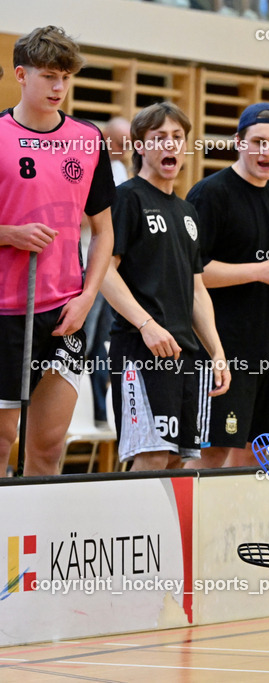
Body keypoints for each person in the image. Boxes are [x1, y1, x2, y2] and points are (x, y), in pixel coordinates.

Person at [0, 26, 115, 477]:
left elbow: (103, 232)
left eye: (66, 78)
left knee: (47, 449)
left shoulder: (87, 141)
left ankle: (29, 546)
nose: (59, 88)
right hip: (7, 313)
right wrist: (8, 233)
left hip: (65, 311)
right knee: (2, 440)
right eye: (49, 76)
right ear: (21, 75)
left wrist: (88, 297)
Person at [186, 103, 269, 469]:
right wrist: (262, 271)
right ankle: (189, 526)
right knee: (212, 451)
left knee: (263, 454)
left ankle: (232, 526)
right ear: (239, 142)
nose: (267, 152)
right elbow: (195, 273)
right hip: (222, 350)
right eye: (258, 142)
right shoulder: (210, 194)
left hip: (268, 351)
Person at [101, 103, 231, 471]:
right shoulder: (127, 198)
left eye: (177, 138)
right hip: (139, 349)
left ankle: (169, 533)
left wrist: (216, 351)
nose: (169, 146)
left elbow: (196, 290)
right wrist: (146, 325)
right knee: (152, 456)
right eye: (159, 138)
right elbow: (103, 273)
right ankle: (130, 529)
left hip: (185, 354)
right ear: (139, 146)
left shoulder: (187, 212)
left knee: (179, 460)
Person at [83, 116, 132, 429]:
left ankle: (100, 413)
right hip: (86, 267)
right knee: (83, 340)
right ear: (110, 140)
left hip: (109, 269)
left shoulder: (122, 169)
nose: (127, 148)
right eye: (123, 142)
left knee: (101, 342)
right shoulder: (93, 163)